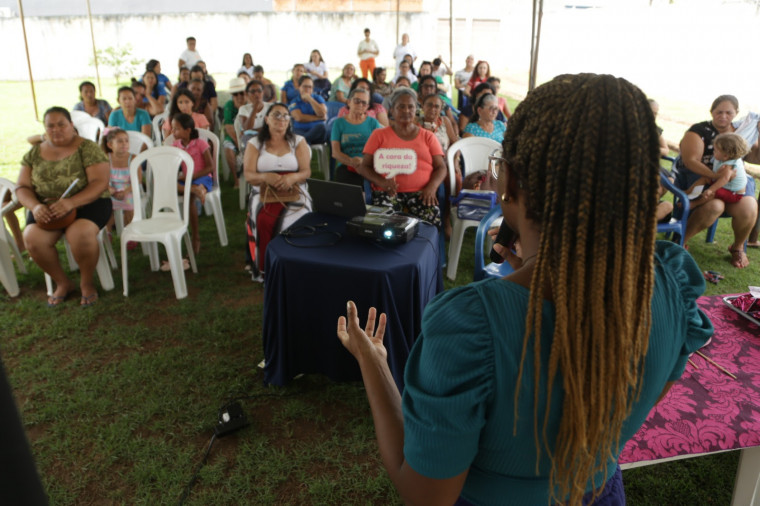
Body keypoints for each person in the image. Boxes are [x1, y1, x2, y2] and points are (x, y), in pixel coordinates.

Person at [337, 73, 713, 506]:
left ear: (509, 182)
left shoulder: (470, 327)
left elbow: (426, 497)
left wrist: (374, 363)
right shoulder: (670, 281)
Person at [16, 107, 112, 307]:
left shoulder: (87, 148)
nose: (56, 129)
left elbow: (99, 182)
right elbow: (22, 187)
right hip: (47, 208)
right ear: (44, 129)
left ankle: (86, 282)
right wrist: (34, 206)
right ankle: (63, 282)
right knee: (32, 238)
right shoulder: (34, 153)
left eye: (61, 124)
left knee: (80, 234)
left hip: (88, 203)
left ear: (71, 126)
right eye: (50, 125)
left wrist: (71, 202)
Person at [675, 94, 760, 267]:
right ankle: (681, 241)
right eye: (719, 112)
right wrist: (717, 176)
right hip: (703, 175)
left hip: (732, 184)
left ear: (736, 113)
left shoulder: (741, 133)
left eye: (728, 112)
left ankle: (737, 248)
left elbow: (754, 158)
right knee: (715, 205)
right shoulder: (699, 130)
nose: (723, 116)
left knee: (749, 207)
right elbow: (691, 160)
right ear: (712, 111)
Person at [358, 88, 447, 225]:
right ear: (392, 110)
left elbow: (441, 167)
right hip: (386, 192)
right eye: (401, 107)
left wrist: (432, 186)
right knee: (379, 226)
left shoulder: (428, 136)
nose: (406, 111)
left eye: (410, 106)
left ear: (416, 110)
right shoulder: (378, 135)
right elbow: (364, 167)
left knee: (430, 224)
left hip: (422, 193)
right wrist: (381, 182)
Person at [243, 103, 312, 281]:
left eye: (285, 116)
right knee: (264, 218)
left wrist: (292, 178)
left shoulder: (298, 141)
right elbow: (249, 175)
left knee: (302, 215)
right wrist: (266, 177)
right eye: (276, 115)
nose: (281, 119)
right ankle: (268, 268)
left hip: (295, 190)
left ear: (289, 121)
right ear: (267, 119)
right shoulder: (255, 143)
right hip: (262, 191)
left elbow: (306, 171)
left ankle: (297, 265)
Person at [170, 113, 214, 255]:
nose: (173, 132)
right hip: (186, 180)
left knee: (189, 200)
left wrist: (192, 177)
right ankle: (194, 189)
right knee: (169, 183)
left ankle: (196, 237)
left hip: (202, 177)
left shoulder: (200, 143)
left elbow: (210, 167)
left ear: (188, 130)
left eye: (176, 129)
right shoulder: (176, 145)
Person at [331, 88, 382, 187]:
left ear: (367, 107)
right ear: (349, 102)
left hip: (369, 165)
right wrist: (352, 162)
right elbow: (335, 153)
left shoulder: (373, 123)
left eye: (364, 103)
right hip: (346, 165)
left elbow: (379, 150)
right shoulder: (339, 123)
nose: (360, 105)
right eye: (357, 101)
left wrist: (364, 163)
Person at [687, 133, 749, 209]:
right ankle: (689, 192)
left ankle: (695, 203)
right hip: (725, 184)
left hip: (733, 193)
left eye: (715, 151)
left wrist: (710, 189)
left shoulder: (728, 167)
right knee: (705, 178)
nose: (713, 152)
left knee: (713, 192)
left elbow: (724, 179)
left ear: (725, 156)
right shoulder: (726, 158)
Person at [100, 127, 136, 229]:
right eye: (120, 141)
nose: (124, 143)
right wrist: (108, 188)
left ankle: (130, 228)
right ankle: (108, 229)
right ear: (110, 145)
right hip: (112, 188)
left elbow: (137, 181)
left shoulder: (133, 158)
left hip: (129, 189)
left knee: (129, 203)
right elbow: (102, 178)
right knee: (106, 202)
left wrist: (125, 191)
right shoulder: (106, 158)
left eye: (126, 141)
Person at [288, 75, 327, 145]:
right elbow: (299, 118)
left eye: (310, 87)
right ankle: (305, 141)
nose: (307, 89)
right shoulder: (294, 101)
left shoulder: (318, 98)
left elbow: (322, 113)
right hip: (299, 130)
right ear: (299, 87)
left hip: (316, 131)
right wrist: (318, 118)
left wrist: (310, 99)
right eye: (305, 86)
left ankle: (302, 141)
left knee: (322, 127)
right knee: (295, 133)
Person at [223, 78, 248, 188]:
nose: (239, 96)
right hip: (233, 137)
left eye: (241, 93)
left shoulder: (250, 104)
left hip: (249, 136)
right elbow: (228, 127)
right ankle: (236, 179)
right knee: (228, 148)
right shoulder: (229, 105)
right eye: (235, 94)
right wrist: (239, 144)